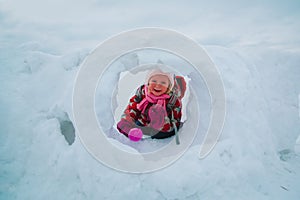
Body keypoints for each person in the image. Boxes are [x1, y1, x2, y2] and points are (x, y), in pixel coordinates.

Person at [117, 69, 182, 142]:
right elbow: (131, 109)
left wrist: (161, 119)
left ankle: (156, 129)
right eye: (154, 81)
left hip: (162, 129)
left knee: (157, 111)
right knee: (123, 123)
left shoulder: (172, 101)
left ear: (169, 87)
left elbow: (175, 123)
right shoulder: (141, 94)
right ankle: (133, 133)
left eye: (163, 83)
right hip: (141, 124)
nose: (158, 85)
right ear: (148, 83)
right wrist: (128, 121)